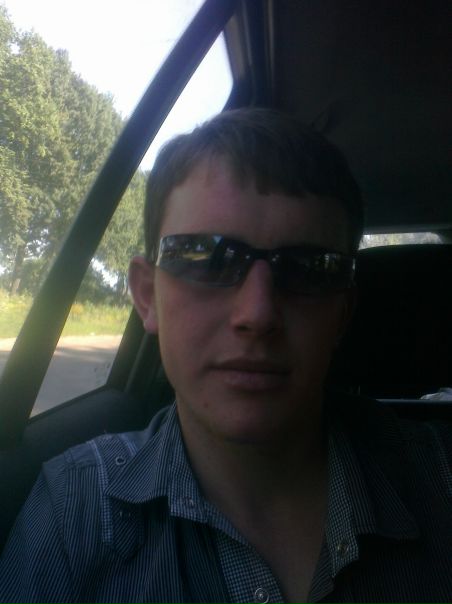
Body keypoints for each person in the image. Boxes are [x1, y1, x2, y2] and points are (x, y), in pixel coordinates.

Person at [0, 108, 450, 603]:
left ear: (343, 314)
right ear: (147, 297)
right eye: (205, 257)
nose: (257, 314)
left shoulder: (442, 480)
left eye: (309, 269)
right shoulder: (75, 512)